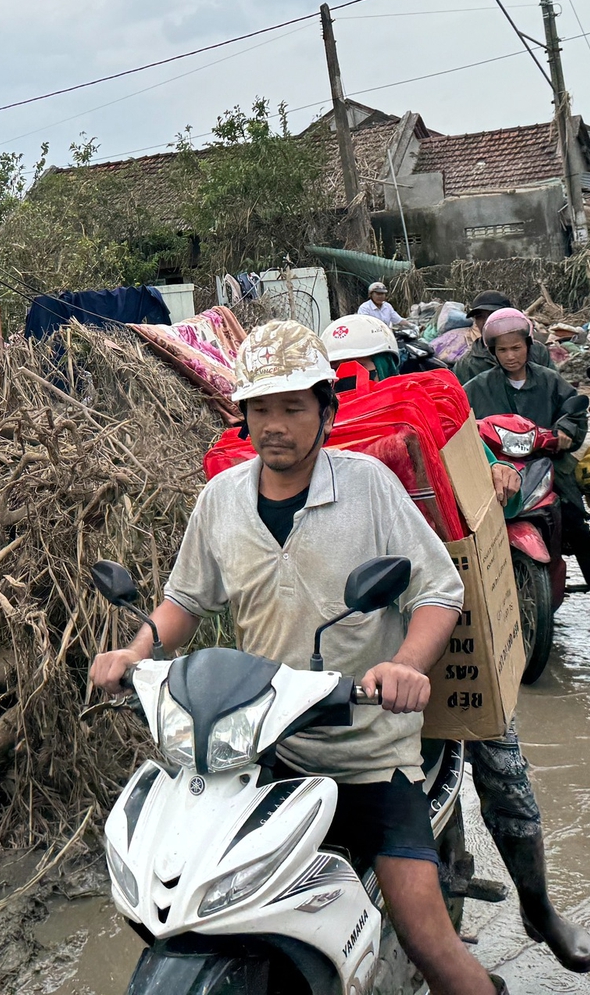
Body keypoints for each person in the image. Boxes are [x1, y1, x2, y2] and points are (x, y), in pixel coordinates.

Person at [90, 319, 503, 995]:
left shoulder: (368, 486)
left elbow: (439, 591)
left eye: (291, 407)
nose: (274, 424)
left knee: (431, 940)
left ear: (326, 411)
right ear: (243, 417)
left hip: (367, 750)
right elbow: (184, 602)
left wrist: (405, 665)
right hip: (262, 751)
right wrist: (134, 653)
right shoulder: (221, 499)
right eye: (260, 409)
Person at [323, 313, 590, 971]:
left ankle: (538, 910)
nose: (355, 388)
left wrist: (496, 473)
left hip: (447, 634)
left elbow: (482, 480)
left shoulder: (427, 422)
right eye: (341, 380)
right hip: (348, 651)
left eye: (363, 373)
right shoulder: (303, 460)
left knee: (502, 770)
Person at [464, 309, 590, 640]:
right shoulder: (477, 387)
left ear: (528, 346)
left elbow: (574, 412)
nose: (511, 355)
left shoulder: (551, 381)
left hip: (548, 467)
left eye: (516, 348)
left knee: (580, 532)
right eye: (503, 350)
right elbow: (458, 424)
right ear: (492, 351)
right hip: (498, 473)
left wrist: (565, 431)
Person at [453, 290, 517, 384]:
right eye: (479, 317)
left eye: (492, 314)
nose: (486, 321)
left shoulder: (535, 352)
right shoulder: (467, 364)